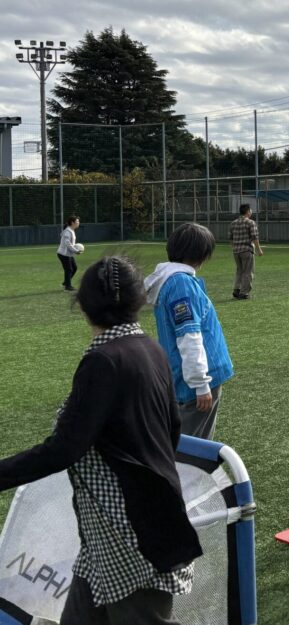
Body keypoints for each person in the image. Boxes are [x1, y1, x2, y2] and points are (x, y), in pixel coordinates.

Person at [0, 256, 202, 624]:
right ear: (138, 299)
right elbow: (172, 428)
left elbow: (64, 448)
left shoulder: (103, 361)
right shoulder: (150, 349)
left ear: (83, 305)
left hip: (129, 536)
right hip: (116, 534)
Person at [144, 223, 234, 440]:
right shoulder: (181, 284)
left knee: (187, 440)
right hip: (196, 382)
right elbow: (189, 335)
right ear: (202, 254)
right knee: (191, 446)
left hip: (188, 378)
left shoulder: (172, 280)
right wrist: (200, 383)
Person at [229, 204, 262, 299]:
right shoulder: (251, 223)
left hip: (236, 251)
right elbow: (254, 237)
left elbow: (230, 238)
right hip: (247, 250)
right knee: (248, 272)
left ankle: (237, 289)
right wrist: (259, 250)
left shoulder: (233, 223)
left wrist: (235, 248)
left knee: (239, 271)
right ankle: (244, 293)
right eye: (250, 210)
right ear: (248, 211)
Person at [57, 214, 83, 291]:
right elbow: (68, 244)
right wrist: (76, 251)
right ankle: (68, 287)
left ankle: (66, 283)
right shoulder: (68, 231)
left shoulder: (71, 230)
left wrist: (75, 249)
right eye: (77, 221)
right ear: (72, 222)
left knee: (74, 268)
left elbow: (71, 244)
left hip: (68, 254)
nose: (78, 223)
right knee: (68, 269)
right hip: (63, 254)